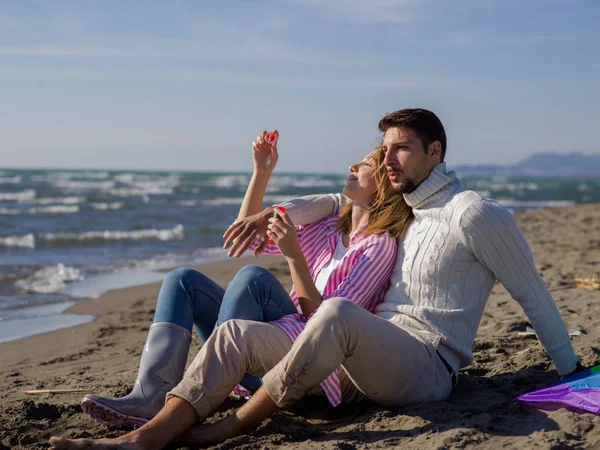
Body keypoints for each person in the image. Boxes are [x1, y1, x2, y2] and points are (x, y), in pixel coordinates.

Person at [50, 109, 581, 450]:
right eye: (385, 148)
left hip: (429, 366)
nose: (388, 158)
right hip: (362, 355)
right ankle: (146, 437)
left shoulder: (473, 213)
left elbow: (532, 294)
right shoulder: (409, 211)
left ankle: (234, 424)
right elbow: (347, 201)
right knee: (234, 331)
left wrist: (575, 373)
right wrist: (310, 197)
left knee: (334, 311)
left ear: (435, 152)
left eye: (401, 148)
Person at [79, 130, 409, 429]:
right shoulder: (326, 227)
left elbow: (325, 327)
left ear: (384, 183)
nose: (353, 165)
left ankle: (207, 384)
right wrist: (261, 173)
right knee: (183, 281)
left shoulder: (377, 247)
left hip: (301, 363)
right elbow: (247, 237)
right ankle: (152, 395)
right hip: (267, 341)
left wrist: (293, 256)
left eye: (365, 164)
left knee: (253, 276)